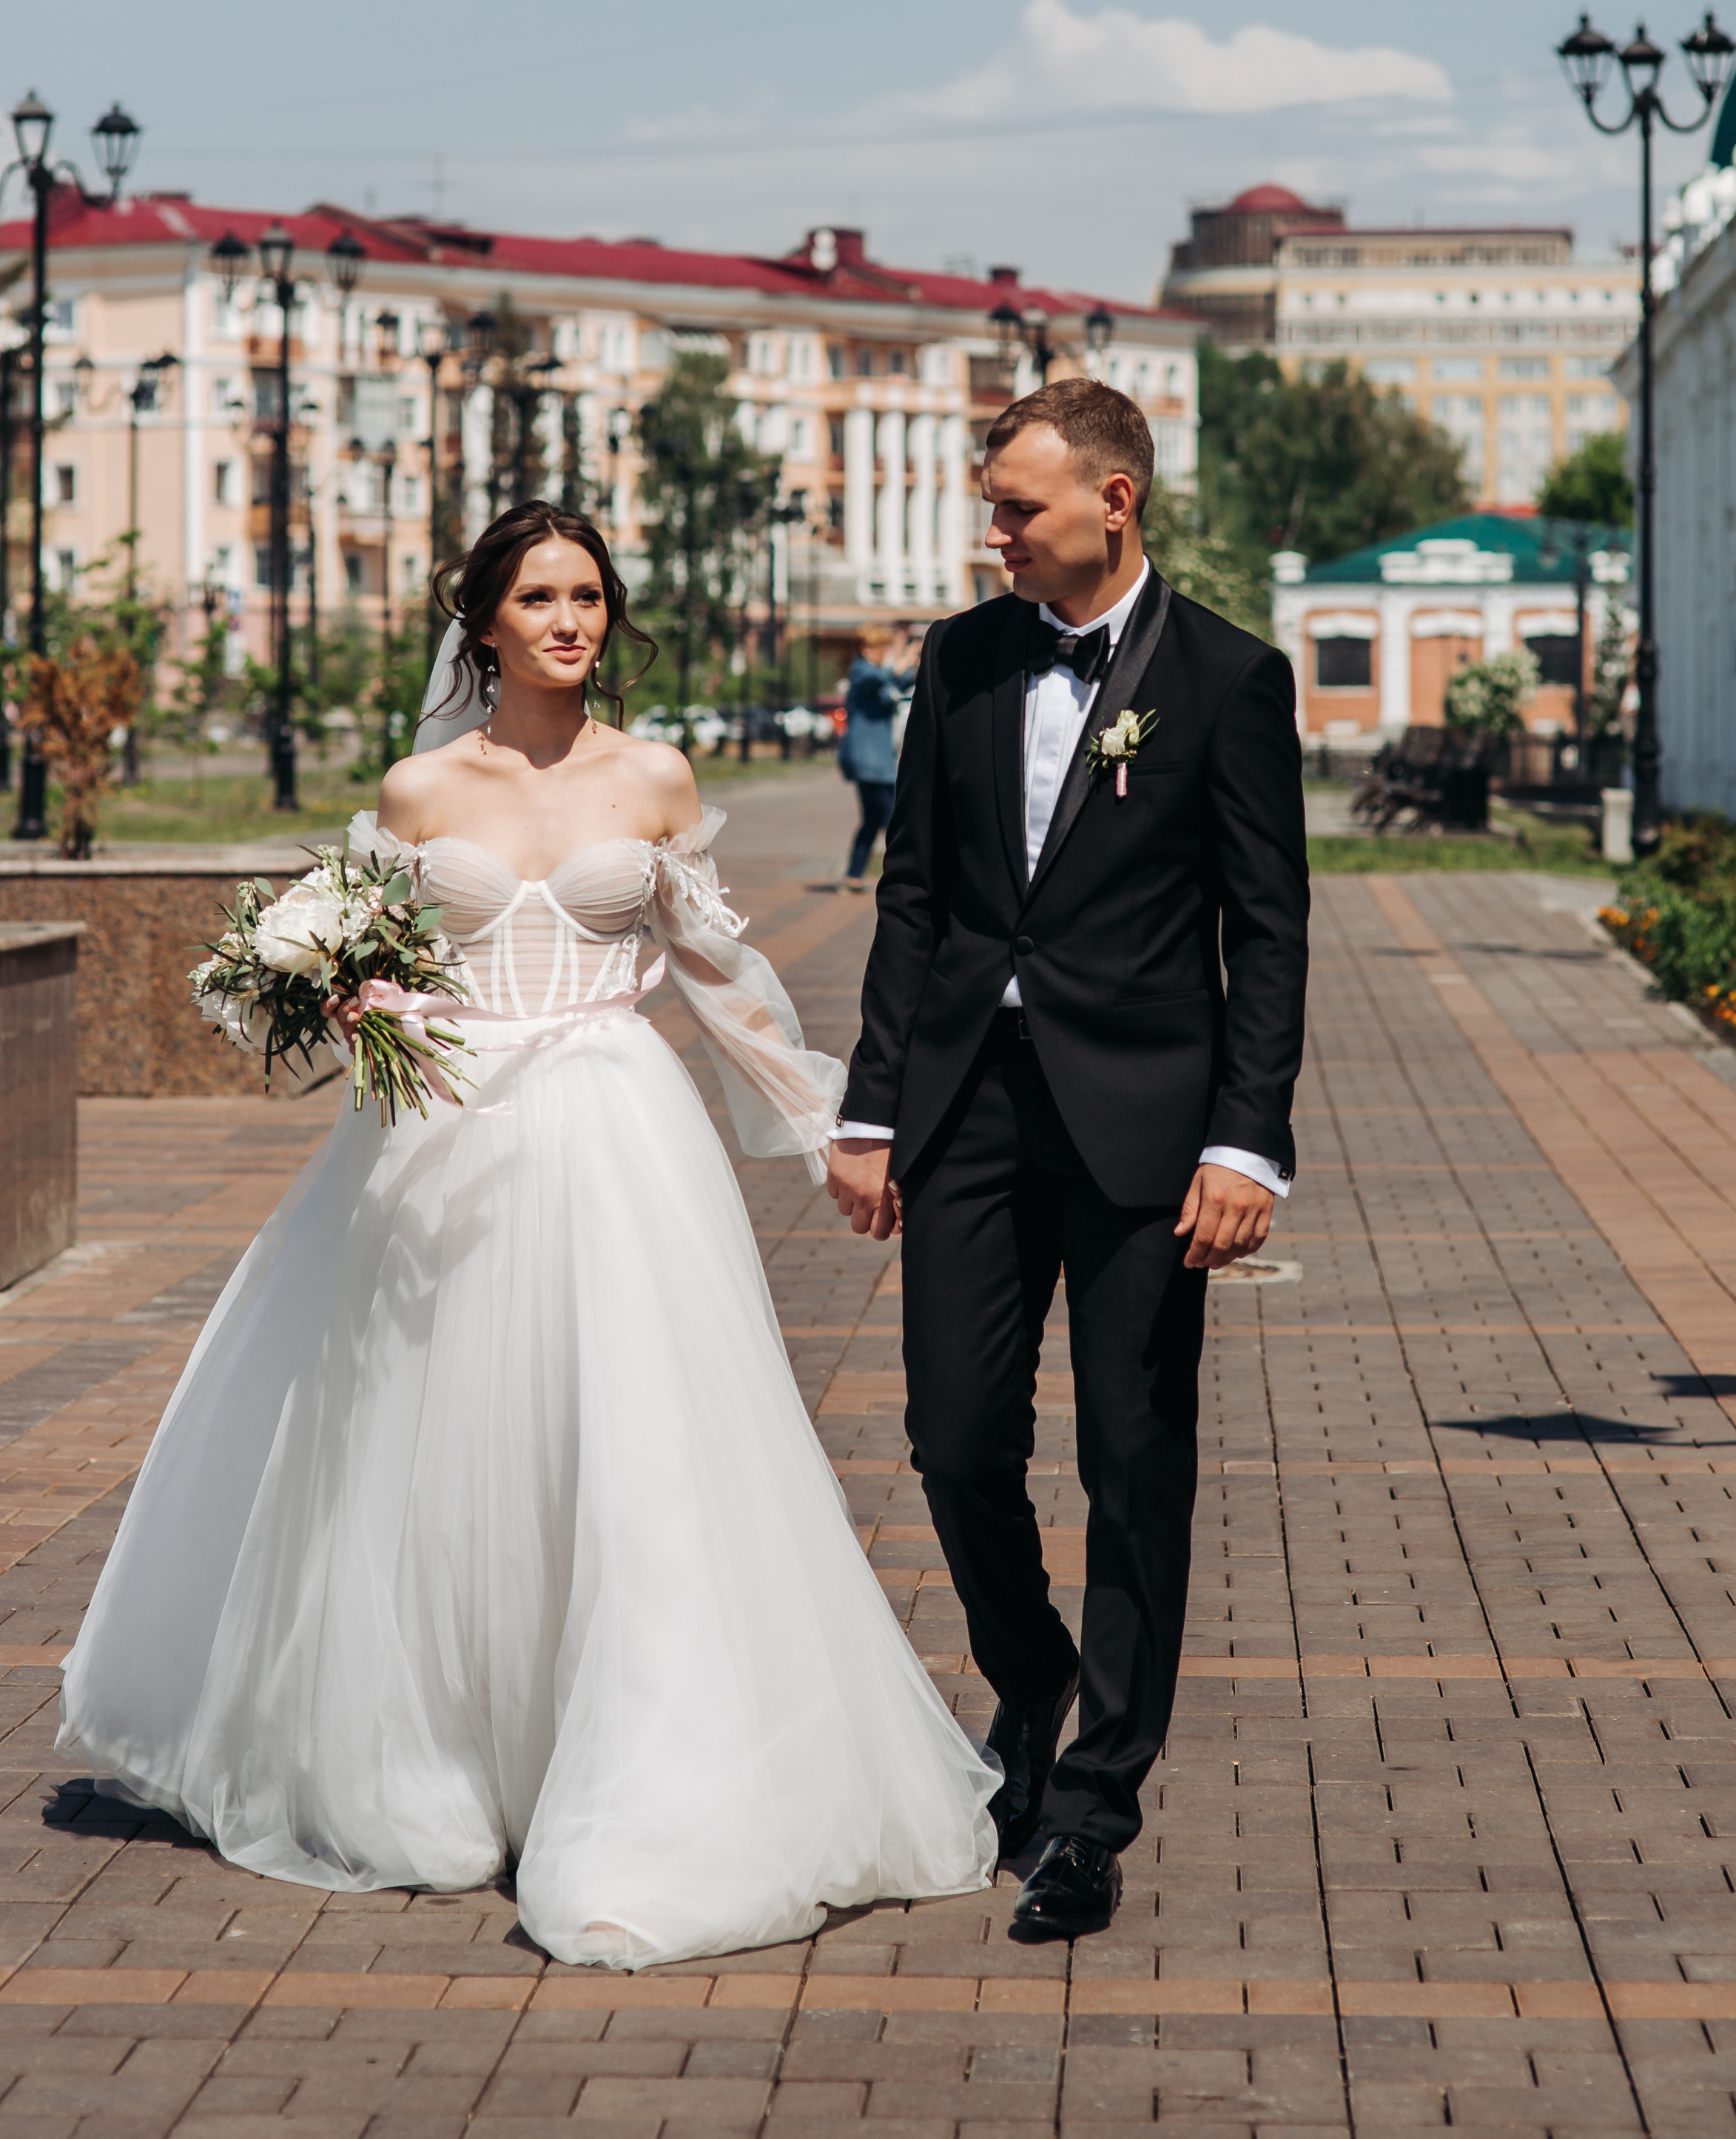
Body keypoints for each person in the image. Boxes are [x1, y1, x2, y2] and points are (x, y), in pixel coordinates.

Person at [59, 500, 999, 1971]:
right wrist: (347, 995)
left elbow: (721, 976)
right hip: (441, 1149)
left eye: (590, 596)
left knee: (630, 1449)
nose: (571, 619)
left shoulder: (657, 774)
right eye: (541, 596)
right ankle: (429, 1772)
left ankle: (641, 1784)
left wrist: (832, 1130)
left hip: (621, 1132)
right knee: (426, 1452)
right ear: (483, 617)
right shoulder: (422, 789)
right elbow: (310, 960)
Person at [827, 381, 1309, 1941]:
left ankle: (1096, 1802)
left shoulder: (1231, 679)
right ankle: (1033, 1685)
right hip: (968, 1108)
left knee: (1130, 1457)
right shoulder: (963, 657)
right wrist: (872, 1108)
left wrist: (1248, 1138)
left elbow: (1270, 928)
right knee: (955, 1439)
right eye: (991, 504)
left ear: (1115, 501)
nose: (995, 532)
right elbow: (917, 899)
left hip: (1146, 1127)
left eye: (1018, 508)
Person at [837, 624, 915, 890]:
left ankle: (854, 874)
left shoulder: (879, 675)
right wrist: (900, 663)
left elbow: (900, 682)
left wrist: (919, 662)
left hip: (878, 761)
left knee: (871, 821)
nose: (883, 653)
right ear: (866, 648)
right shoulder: (860, 672)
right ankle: (905, 876)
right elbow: (879, 679)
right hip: (868, 761)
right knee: (894, 819)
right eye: (880, 647)